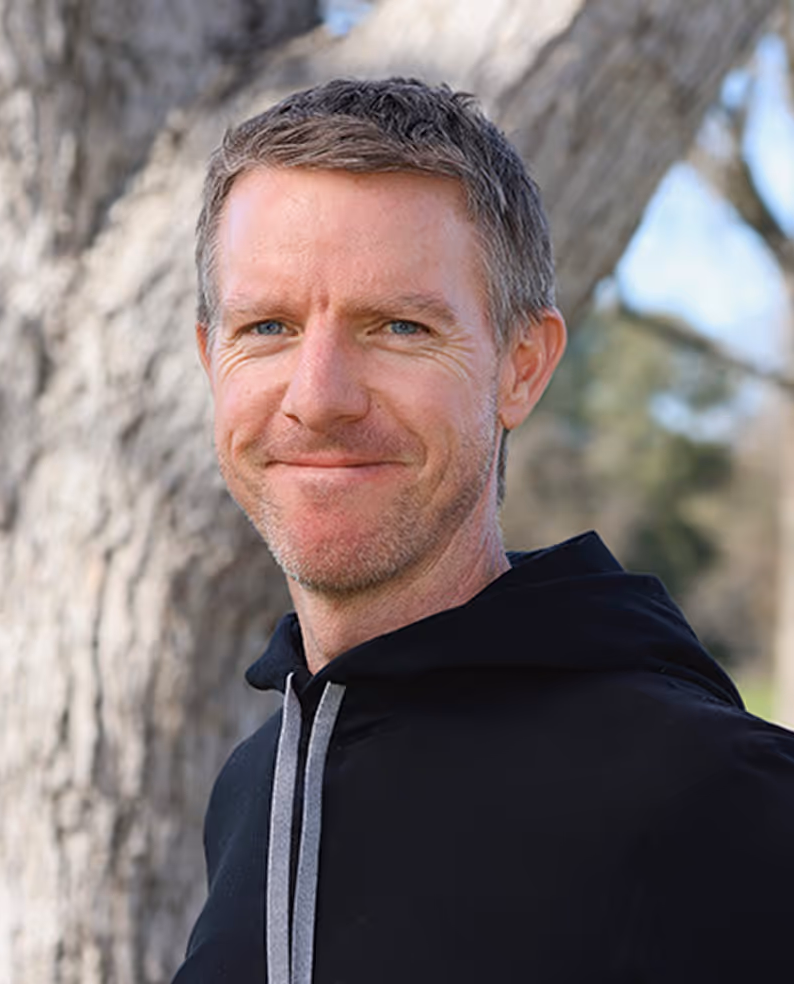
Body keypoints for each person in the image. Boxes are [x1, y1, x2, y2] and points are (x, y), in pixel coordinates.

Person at [172, 78, 794, 984]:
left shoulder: (718, 794)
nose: (318, 397)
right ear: (210, 360)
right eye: (267, 325)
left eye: (397, 325)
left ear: (522, 368)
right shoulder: (255, 788)